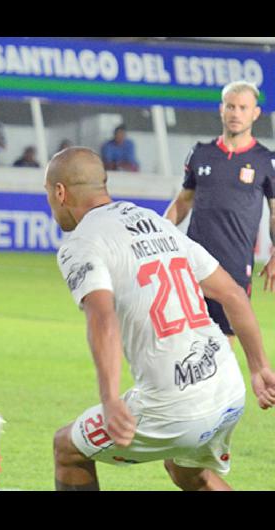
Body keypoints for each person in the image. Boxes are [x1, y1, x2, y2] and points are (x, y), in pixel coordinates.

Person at [45, 147, 275, 491]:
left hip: (175, 406)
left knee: (67, 448)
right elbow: (232, 293)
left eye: (48, 193)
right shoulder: (153, 221)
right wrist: (258, 368)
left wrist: (110, 399)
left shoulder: (81, 243)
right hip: (227, 386)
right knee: (188, 472)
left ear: (60, 192)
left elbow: (103, 319)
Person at [165, 81, 275, 344]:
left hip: (234, 264)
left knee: (223, 344)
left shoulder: (265, 161)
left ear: (255, 113)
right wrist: (158, 235)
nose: (236, 113)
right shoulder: (200, 153)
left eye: (243, 108)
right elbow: (183, 202)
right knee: (183, 339)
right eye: (231, 106)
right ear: (221, 109)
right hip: (192, 260)